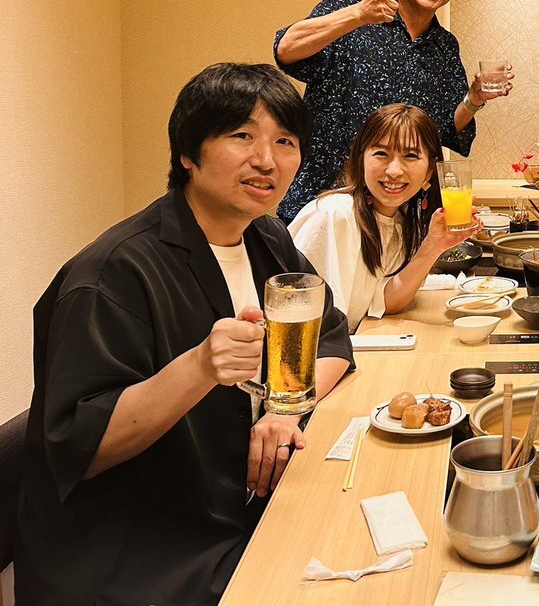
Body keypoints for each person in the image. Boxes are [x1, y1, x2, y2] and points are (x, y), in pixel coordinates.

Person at [15, 64, 354, 605]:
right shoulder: (113, 275)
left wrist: (284, 409)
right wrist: (199, 367)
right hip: (142, 547)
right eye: (242, 135)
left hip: (236, 499)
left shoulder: (265, 238)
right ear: (188, 154)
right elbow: (80, 446)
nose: (266, 160)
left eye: (284, 141)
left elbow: (332, 339)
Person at [274, 0, 513, 221]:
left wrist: (474, 99)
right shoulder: (351, 7)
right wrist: (359, 14)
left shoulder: (444, 46)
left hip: (396, 216)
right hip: (320, 206)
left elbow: (444, 129)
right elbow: (286, 49)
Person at [288, 103, 479, 331]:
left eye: (410, 156)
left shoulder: (401, 220)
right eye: (381, 154)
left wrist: (434, 245)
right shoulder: (334, 214)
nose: (394, 171)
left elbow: (383, 301)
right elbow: (300, 320)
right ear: (361, 159)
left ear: (430, 170)